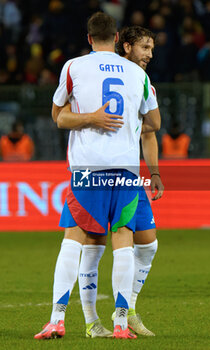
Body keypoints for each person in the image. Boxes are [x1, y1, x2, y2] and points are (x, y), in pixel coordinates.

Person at [34, 12, 160, 340]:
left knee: (76, 238)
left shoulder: (74, 66)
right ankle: (120, 323)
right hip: (127, 170)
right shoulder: (138, 74)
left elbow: (58, 117)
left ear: (89, 38)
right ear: (118, 38)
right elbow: (154, 122)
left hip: (89, 167)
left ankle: (57, 319)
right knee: (123, 241)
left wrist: (91, 117)